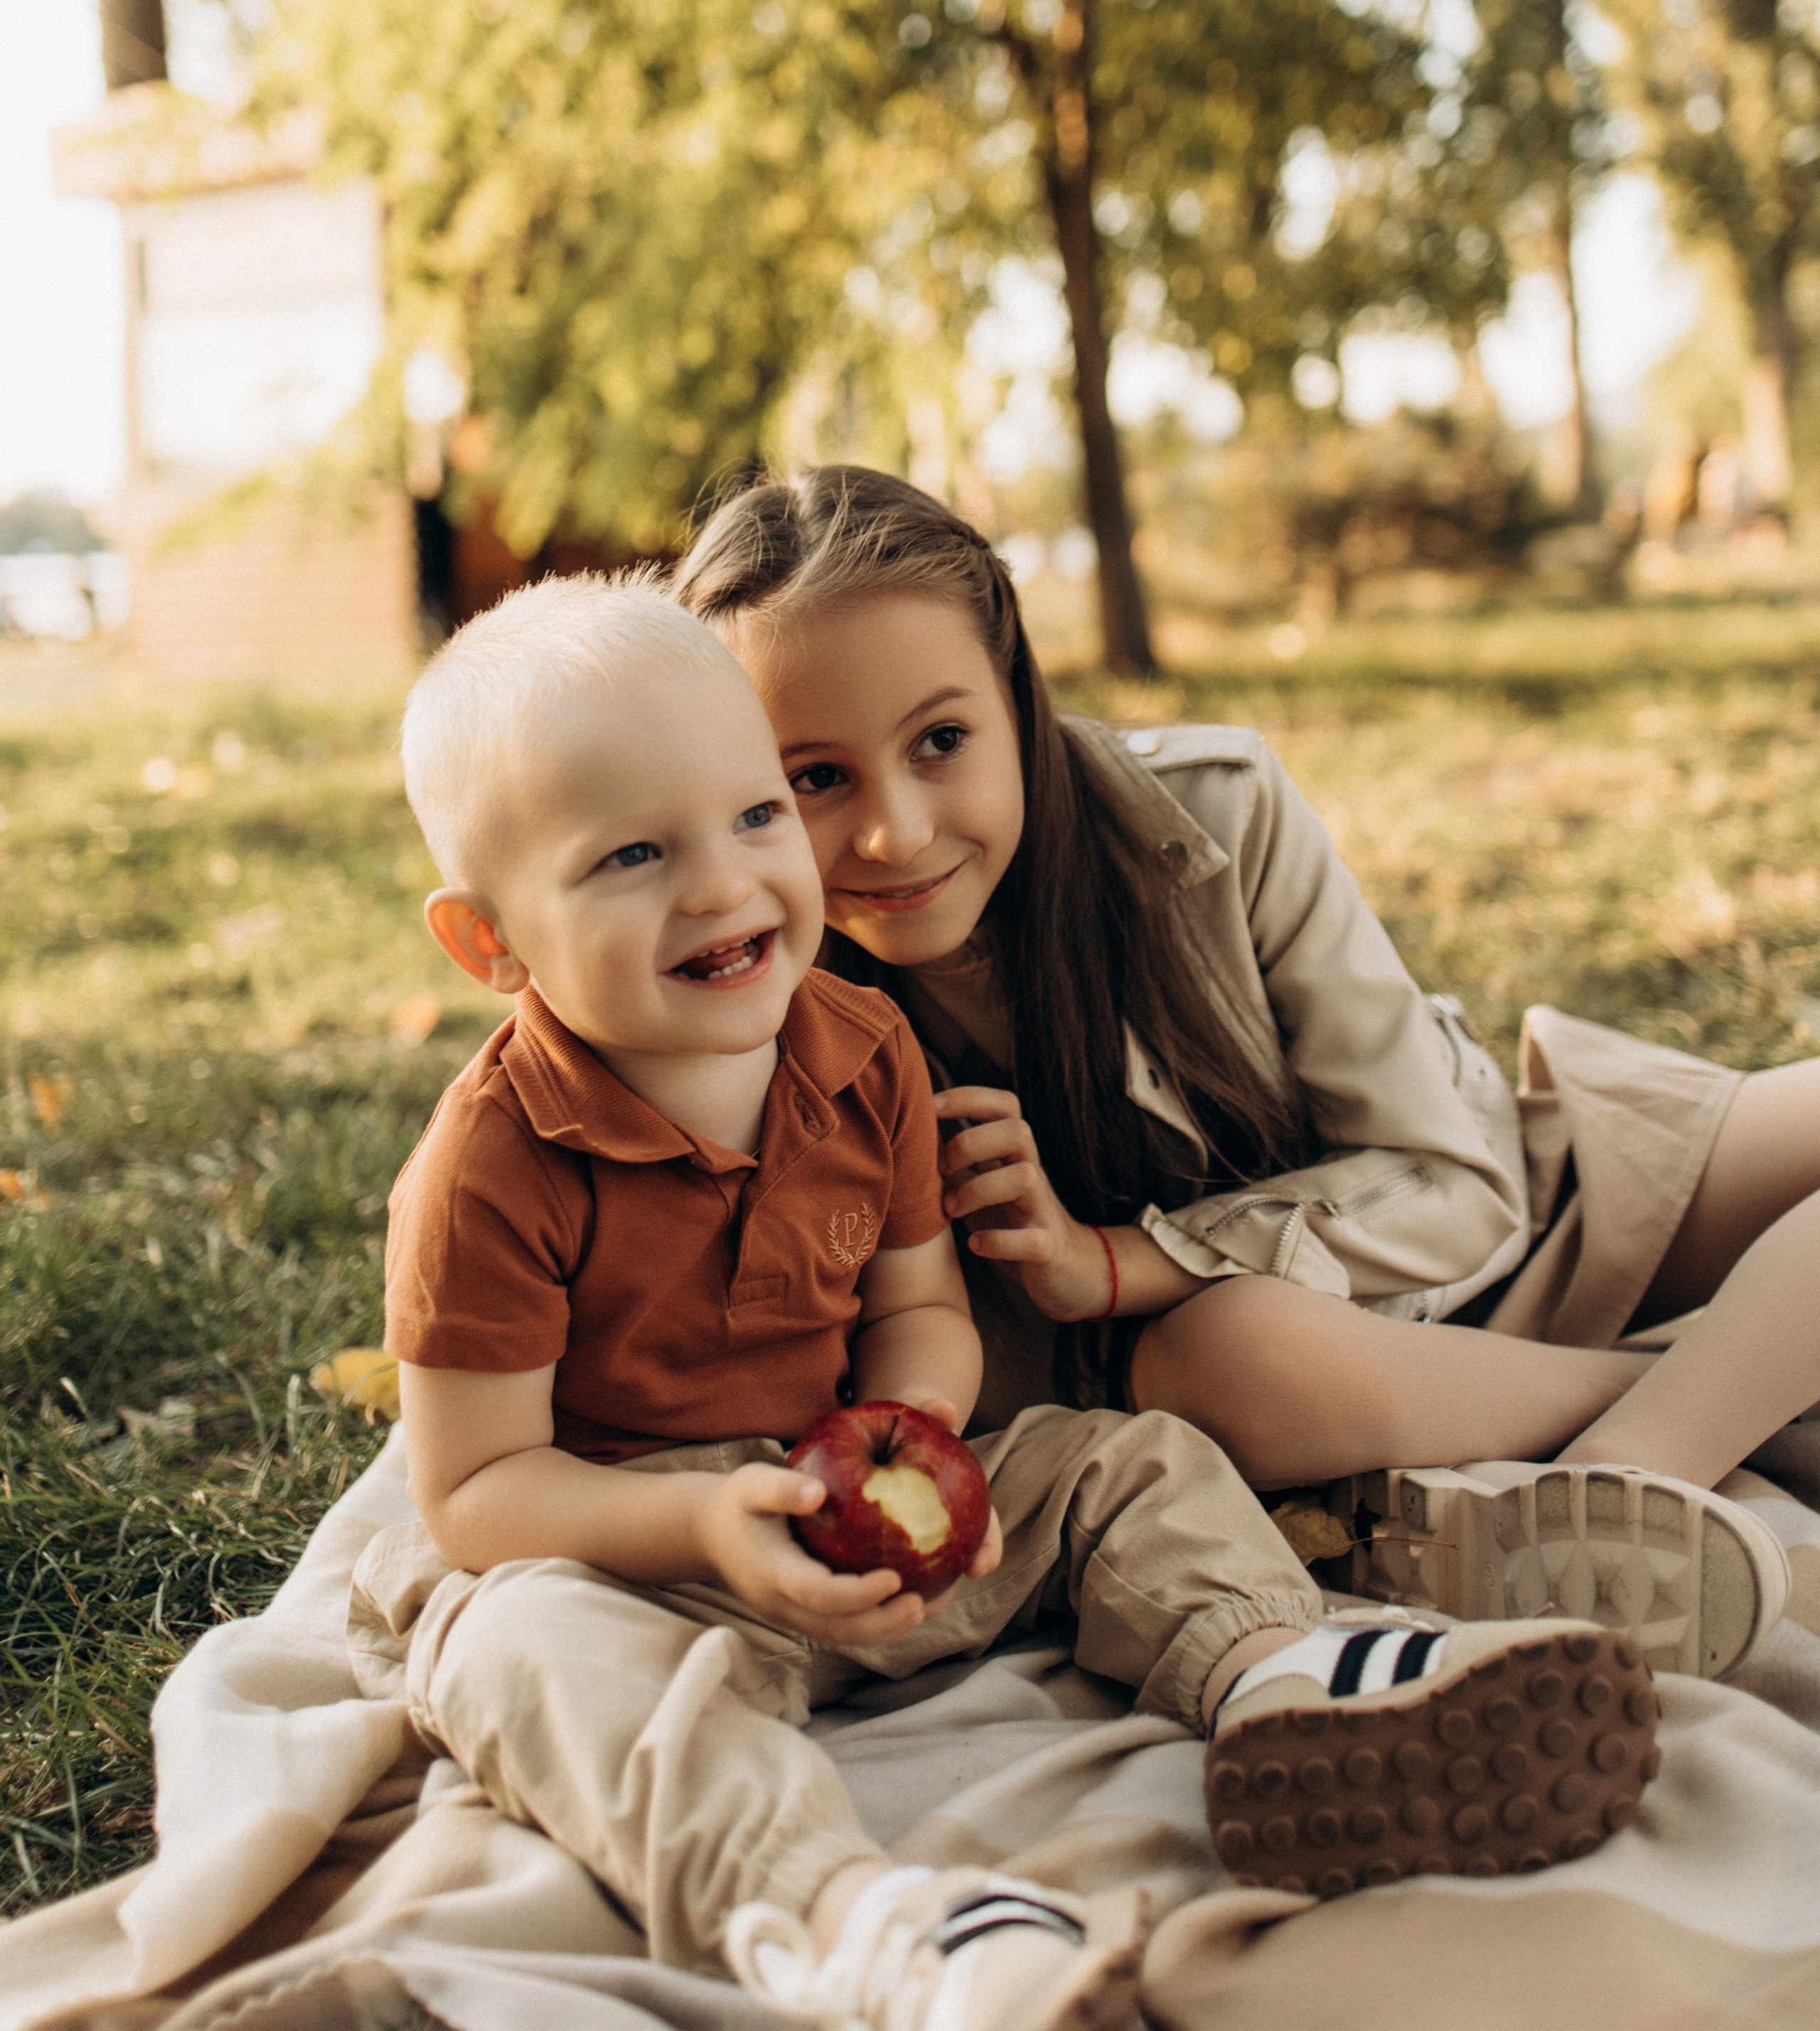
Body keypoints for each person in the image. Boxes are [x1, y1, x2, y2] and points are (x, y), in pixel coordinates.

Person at [353, 574, 1656, 2031]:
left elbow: (920, 1306)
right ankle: (872, 1925)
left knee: (1121, 1466)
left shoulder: (862, 1053)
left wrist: (911, 1418)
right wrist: (701, 1521)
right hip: (637, 1558)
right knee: (522, 1654)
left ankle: (1291, 1683)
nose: (722, 886)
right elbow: (472, 1493)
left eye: (756, 815)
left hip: (864, 1507)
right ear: (488, 944)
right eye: (633, 856)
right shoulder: (488, 1168)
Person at [673, 466, 1806, 1681]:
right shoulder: (748, 1000)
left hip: (1515, 1212)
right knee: (1231, 1361)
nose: (895, 829)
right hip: (1292, 1375)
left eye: (941, 740)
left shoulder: (1210, 817)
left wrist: (1109, 1262)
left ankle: (1635, 1458)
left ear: (1015, 696)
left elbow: (1457, 1186)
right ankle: (1716, 1406)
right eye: (813, 778)